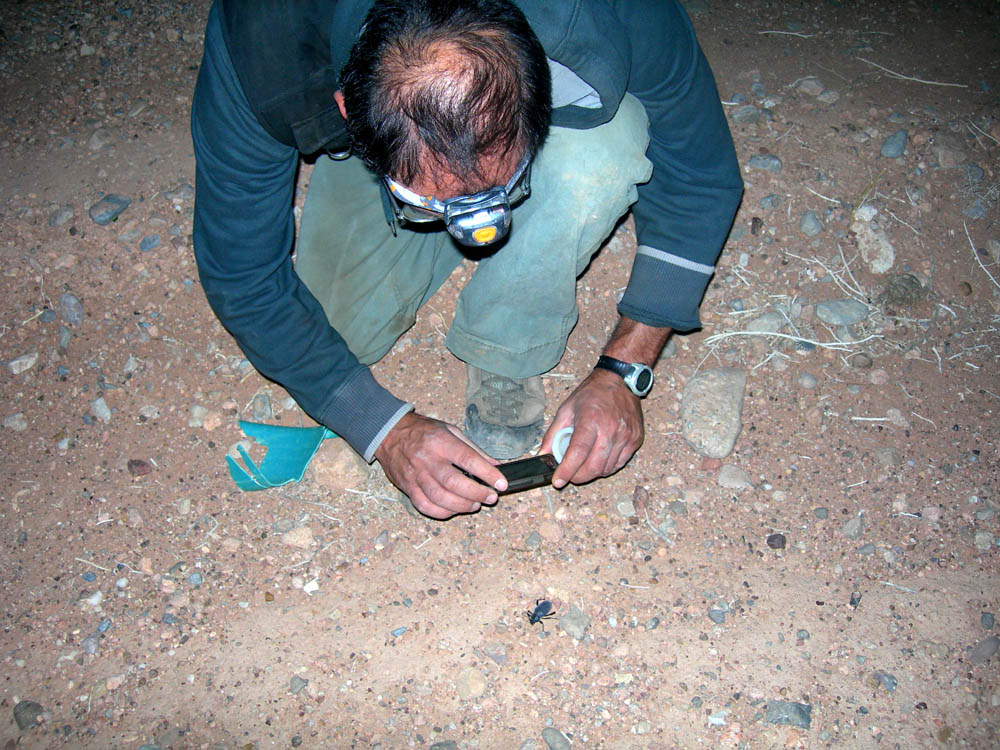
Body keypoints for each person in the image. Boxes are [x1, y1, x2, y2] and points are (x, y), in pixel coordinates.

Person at [191, 0, 743, 520]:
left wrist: (625, 370)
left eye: (497, 190)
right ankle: (446, 185)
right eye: (438, 202)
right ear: (348, 111)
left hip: (500, 112)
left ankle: (506, 338)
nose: (481, 234)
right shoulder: (264, 43)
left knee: (602, 152)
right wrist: (384, 428)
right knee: (334, 330)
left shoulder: (600, 12)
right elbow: (244, 276)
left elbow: (700, 174)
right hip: (374, 116)